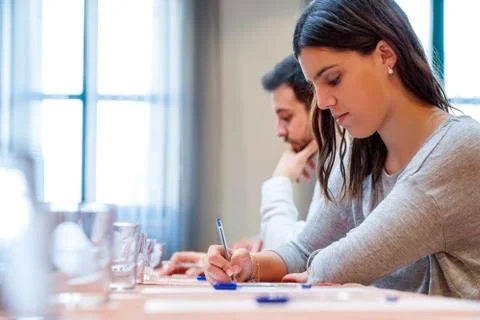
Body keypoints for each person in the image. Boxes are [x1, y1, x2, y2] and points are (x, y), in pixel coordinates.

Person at [204, 0, 480, 299]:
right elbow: (303, 249)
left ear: (385, 55)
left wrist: (311, 269)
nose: (322, 102)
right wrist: (248, 265)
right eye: (315, 86)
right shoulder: (360, 155)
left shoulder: (461, 148)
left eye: (333, 79)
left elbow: (346, 262)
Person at [160, 55, 318, 276]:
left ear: (318, 106)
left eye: (286, 117)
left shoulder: (345, 164)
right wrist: (243, 256)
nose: (279, 131)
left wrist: (279, 180)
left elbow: (300, 256)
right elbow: (307, 244)